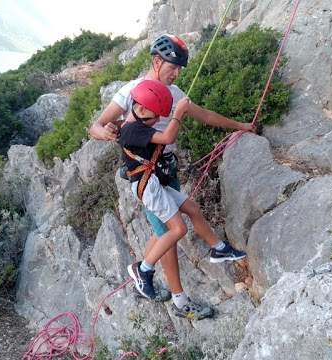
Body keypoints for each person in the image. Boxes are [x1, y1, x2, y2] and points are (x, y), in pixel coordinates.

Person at [90, 34, 253, 319]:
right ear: (156, 61)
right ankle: (179, 301)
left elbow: (206, 115)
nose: (176, 73)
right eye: (172, 67)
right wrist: (104, 132)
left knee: (172, 223)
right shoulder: (132, 91)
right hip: (145, 176)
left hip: (165, 171)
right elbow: (98, 125)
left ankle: (150, 267)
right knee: (169, 231)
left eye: (179, 69)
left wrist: (240, 125)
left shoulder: (175, 93)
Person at [118, 79, 246, 319]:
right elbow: (167, 138)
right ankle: (143, 270)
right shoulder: (134, 129)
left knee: (193, 209)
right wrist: (177, 114)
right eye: (156, 116)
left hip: (154, 182)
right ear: (141, 109)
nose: (158, 120)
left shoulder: (136, 122)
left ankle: (218, 249)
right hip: (148, 187)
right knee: (177, 229)